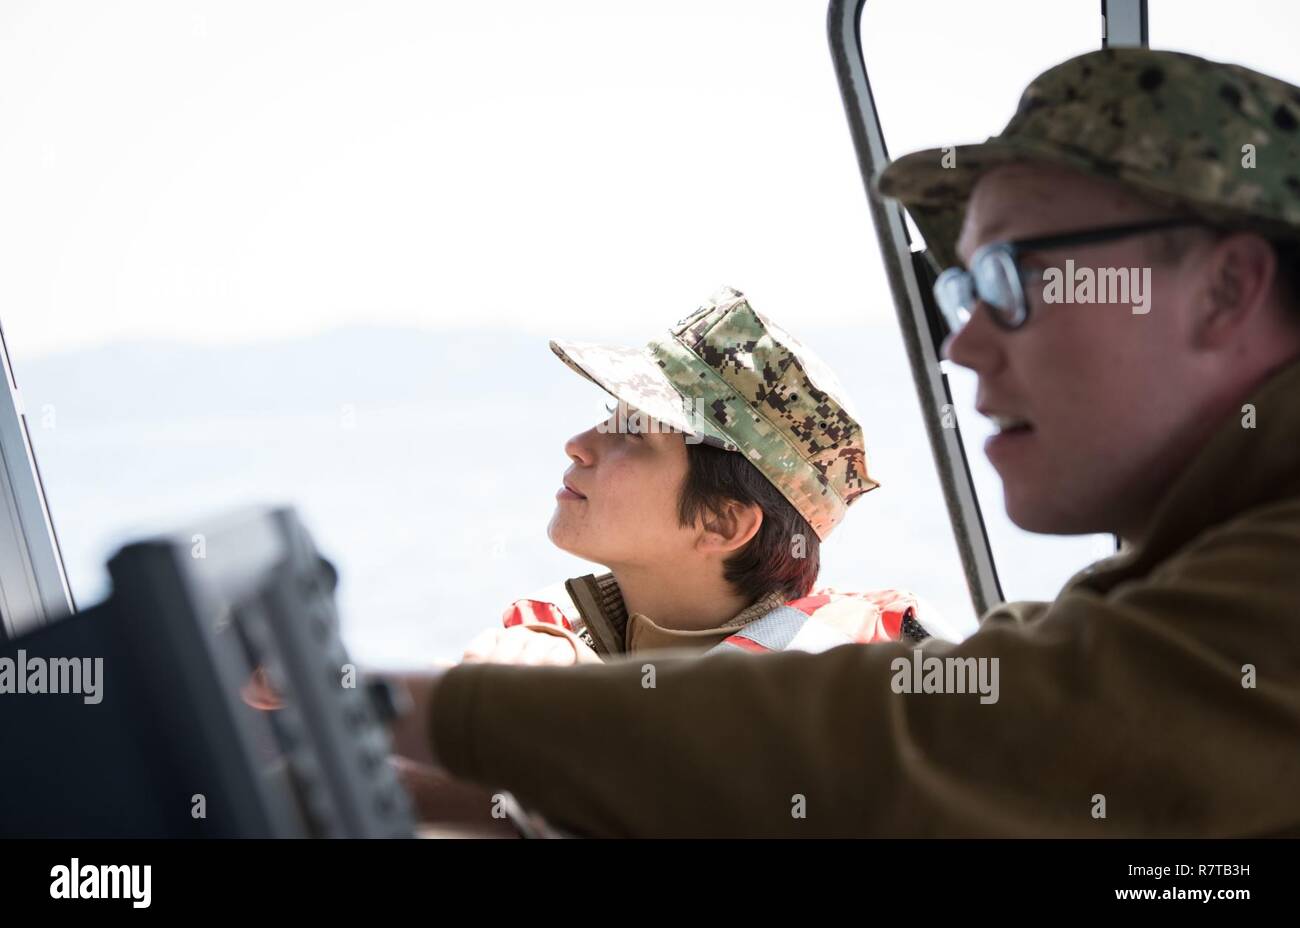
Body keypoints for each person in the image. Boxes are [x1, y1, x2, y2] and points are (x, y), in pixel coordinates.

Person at [386, 47, 1300, 837]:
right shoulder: (1181, 578)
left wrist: (393, 711)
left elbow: (911, 738)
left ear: (1225, 292)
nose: (963, 346)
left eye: (1011, 280)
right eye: (960, 294)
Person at [459, 286, 934, 668]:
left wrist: (592, 696)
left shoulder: (848, 685)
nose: (577, 444)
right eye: (610, 415)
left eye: (635, 433)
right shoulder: (547, 639)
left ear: (723, 523)